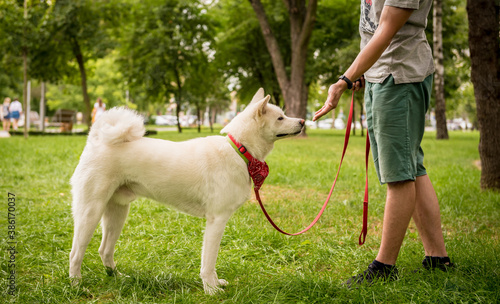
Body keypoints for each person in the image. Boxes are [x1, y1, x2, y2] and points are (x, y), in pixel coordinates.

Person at [313, 0, 453, 287]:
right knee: (411, 166)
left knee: (400, 174)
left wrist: (344, 79)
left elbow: (387, 28)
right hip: (382, 75)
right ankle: (438, 259)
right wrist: (363, 70)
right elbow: (371, 28)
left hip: (399, 76)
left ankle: (384, 266)